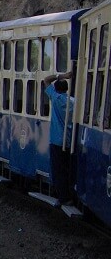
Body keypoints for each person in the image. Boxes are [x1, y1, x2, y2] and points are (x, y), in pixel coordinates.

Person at [43, 71, 75, 205]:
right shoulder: (74, 101)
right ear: (67, 89)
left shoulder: (55, 98)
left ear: (55, 89)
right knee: (68, 169)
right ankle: (71, 194)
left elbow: (46, 80)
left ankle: (63, 197)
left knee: (58, 170)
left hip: (57, 140)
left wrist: (63, 75)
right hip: (70, 140)